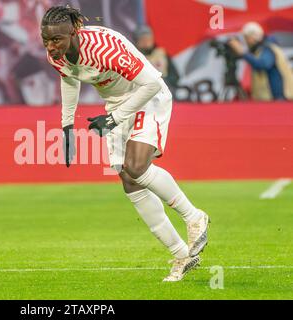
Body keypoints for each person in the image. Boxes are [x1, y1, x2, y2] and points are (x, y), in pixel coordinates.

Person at [41, 6, 209, 282]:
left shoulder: (104, 48)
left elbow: (152, 83)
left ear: (74, 32)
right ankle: (182, 255)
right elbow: (69, 80)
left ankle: (194, 217)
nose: (51, 46)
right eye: (46, 40)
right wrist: (67, 126)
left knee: (136, 165)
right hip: (117, 104)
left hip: (145, 97)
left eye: (56, 39)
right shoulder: (55, 55)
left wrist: (114, 118)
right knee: (129, 180)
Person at [228, 22, 293, 101]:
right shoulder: (265, 49)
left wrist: (243, 53)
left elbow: (262, 64)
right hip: (275, 97)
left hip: (277, 98)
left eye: (246, 38)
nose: (246, 42)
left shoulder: (267, 49)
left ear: (252, 37)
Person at [133, 25, 180, 94]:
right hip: (142, 91)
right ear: (137, 41)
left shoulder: (161, 53)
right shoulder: (134, 55)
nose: (146, 42)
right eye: (143, 39)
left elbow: (175, 75)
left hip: (164, 90)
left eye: (148, 39)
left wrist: (166, 82)